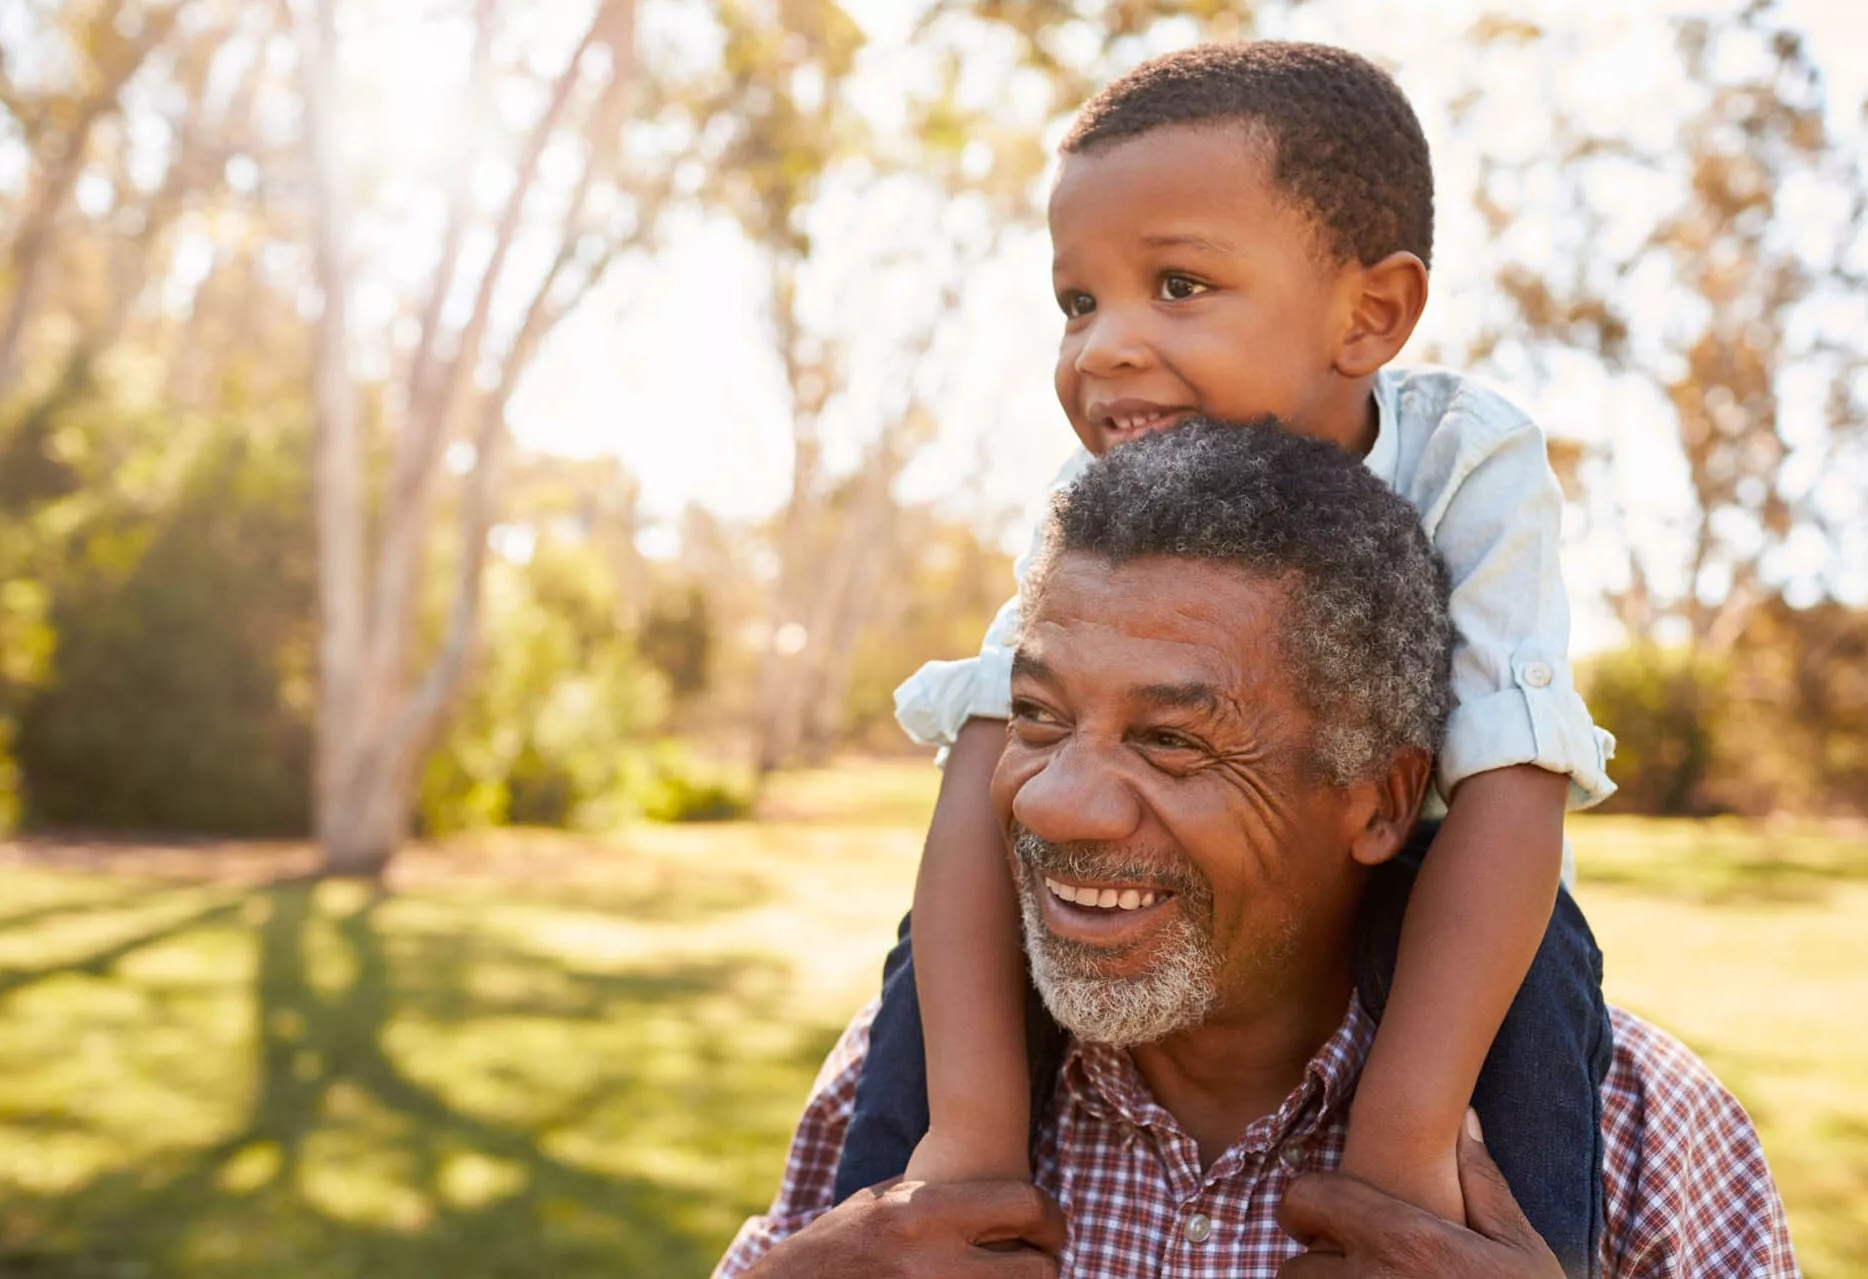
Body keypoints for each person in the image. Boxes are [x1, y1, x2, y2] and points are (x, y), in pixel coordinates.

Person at [836, 41, 1621, 1275]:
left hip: (1433, 877)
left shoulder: (1465, 460)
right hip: (1178, 924)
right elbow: (984, 763)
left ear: (1370, 314)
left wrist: (1402, 1144)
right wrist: (970, 1135)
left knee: (1546, 969)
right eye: (1078, 301)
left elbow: (1516, 780)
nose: (1102, 348)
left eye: (1180, 286)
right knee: (924, 966)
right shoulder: (1091, 503)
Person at [716, 422, 1796, 1278]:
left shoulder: (1640, 1131)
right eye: (1038, 720)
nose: (1058, 804)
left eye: (1174, 739)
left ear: (1380, 803)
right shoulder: (899, 1079)